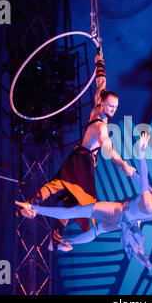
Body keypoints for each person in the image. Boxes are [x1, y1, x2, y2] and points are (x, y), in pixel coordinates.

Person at [16, 132, 152, 269]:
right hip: (123, 224)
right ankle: (60, 244)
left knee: (74, 212)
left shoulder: (149, 203)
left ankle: (34, 208)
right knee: (96, 232)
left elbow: (144, 179)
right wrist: (131, 173)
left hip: (118, 211)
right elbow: (141, 186)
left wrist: (141, 153)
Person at [28, 48, 135, 251]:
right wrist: (124, 166)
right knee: (79, 199)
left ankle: (51, 232)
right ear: (103, 104)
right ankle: (32, 206)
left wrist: (100, 62)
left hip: (82, 157)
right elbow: (109, 151)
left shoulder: (97, 107)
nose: (113, 110)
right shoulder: (101, 126)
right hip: (83, 160)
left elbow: (101, 84)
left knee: (70, 197)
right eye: (110, 106)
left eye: (115, 107)